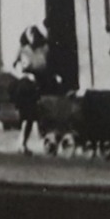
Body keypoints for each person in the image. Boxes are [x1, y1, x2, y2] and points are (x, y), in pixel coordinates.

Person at [13, 22, 66, 154]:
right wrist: (24, 74)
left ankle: (50, 140)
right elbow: (14, 67)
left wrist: (55, 75)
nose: (33, 38)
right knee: (29, 114)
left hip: (43, 80)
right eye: (30, 35)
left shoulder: (45, 49)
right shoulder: (22, 50)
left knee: (50, 107)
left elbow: (51, 65)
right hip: (27, 84)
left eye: (35, 34)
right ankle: (22, 143)